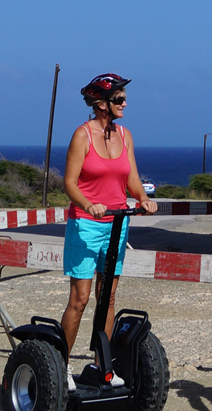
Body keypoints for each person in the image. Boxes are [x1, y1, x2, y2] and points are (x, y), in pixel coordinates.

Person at [60, 73, 158, 391]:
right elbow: (70, 184)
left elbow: (130, 177)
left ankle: (103, 365)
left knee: (109, 297)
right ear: (101, 104)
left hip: (117, 222)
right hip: (87, 224)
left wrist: (142, 198)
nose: (124, 104)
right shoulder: (83, 136)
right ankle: (59, 365)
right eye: (118, 99)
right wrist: (89, 205)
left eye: (124, 98)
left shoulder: (125, 135)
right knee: (81, 298)